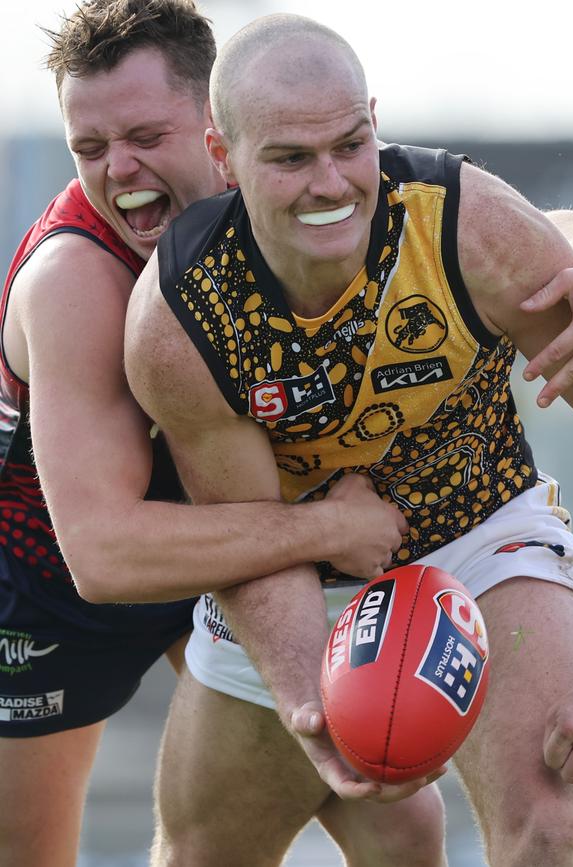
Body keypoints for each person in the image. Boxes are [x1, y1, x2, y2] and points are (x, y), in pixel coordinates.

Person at [123, 13, 573, 867]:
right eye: (290, 158)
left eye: (350, 143)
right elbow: (252, 533)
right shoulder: (179, 318)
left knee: (550, 827)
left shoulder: (466, 225)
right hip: (287, 562)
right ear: (223, 158)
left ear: (375, 121)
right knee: (202, 855)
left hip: (485, 540)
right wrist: (306, 698)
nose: (330, 183)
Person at [0, 4, 432, 866]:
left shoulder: (296, 182)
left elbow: (465, 220)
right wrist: (329, 528)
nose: (119, 172)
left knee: (396, 822)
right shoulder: (74, 282)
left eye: (145, 136)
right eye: (90, 149)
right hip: (54, 580)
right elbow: (106, 554)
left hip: (233, 549)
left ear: (218, 127)